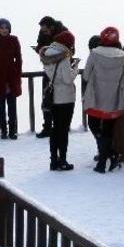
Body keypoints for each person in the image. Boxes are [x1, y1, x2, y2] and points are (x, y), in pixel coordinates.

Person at [82, 26, 124, 174]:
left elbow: (85, 76)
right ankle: (107, 159)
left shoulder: (95, 54)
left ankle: (107, 158)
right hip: (114, 99)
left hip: (95, 99)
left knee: (94, 125)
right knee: (108, 131)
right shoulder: (123, 57)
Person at [41, 30, 78, 171]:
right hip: (66, 98)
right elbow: (67, 79)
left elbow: (55, 76)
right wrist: (75, 67)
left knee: (55, 129)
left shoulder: (47, 54)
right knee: (63, 130)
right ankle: (62, 160)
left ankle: (53, 160)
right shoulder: (64, 56)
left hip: (54, 97)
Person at [34, 16, 67, 138]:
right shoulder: (42, 33)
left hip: (61, 71)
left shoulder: (64, 33)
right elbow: (39, 46)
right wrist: (42, 50)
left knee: (61, 100)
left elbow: (69, 50)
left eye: (45, 30)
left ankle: (61, 127)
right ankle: (47, 127)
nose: (44, 32)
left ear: (52, 27)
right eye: (42, 30)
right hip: (48, 69)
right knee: (47, 99)